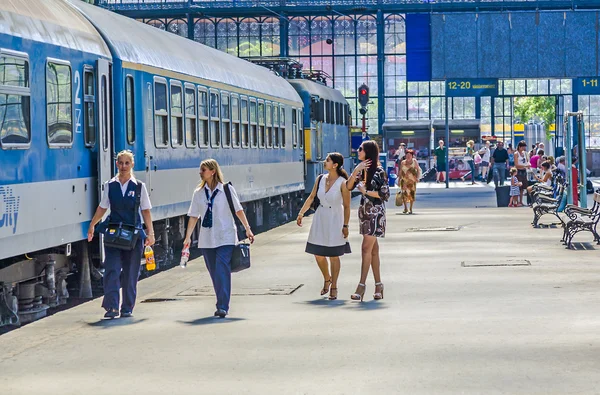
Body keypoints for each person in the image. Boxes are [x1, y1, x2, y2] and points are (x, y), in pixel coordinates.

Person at [182, 159, 255, 318]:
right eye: (200, 170)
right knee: (214, 272)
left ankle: (222, 306)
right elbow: (194, 216)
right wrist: (188, 237)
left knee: (222, 268)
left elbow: (238, 210)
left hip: (225, 236)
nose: (200, 173)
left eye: (203, 170)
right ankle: (221, 300)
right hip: (207, 239)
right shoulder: (198, 193)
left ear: (212, 171)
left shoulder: (226, 190)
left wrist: (248, 229)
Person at [87, 150, 155, 319]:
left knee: (131, 272)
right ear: (116, 164)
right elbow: (103, 207)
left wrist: (150, 233)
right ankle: (111, 307)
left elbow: (146, 211)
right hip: (114, 235)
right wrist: (92, 225)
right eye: (120, 163)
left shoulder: (139, 186)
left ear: (132, 165)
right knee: (112, 270)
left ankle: (127, 307)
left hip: (133, 236)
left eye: (127, 163)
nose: (123, 166)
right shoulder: (110, 185)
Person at [297, 153, 351, 301]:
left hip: (335, 218)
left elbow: (346, 206)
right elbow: (312, 197)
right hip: (320, 217)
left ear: (335, 165)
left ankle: (334, 286)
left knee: (334, 255)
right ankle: (327, 278)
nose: (324, 162)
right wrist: (301, 213)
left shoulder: (343, 182)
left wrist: (346, 225)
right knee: (318, 253)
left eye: (327, 160)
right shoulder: (320, 178)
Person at [346, 141, 390, 302]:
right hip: (364, 214)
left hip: (376, 214)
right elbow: (348, 186)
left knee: (366, 248)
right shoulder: (362, 171)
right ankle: (379, 285)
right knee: (373, 251)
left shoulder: (379, 172)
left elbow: (385, 194)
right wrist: (356, 170)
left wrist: (366, 191)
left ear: (368, 152)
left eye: (360, 149)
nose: (357, 151)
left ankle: (361, 286)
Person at [398, 149, 422, 214]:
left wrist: (417, 178)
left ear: (412, 156)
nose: (408, 156)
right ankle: (405, 208)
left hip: (412, 181)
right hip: (404, 181)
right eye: (407, 155)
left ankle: (411, 208)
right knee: (404, 194)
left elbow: (418, 170)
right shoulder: (403, 162)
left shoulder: (415, 162)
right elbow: (400, 171)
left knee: (412, 194)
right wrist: (399, 179)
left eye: (410, 155)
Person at [514, 141, 531, 206]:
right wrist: (524, 166)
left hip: (524, 171)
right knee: (518, 187)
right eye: (523, 147)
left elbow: (527, 161)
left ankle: (521, 201)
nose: (524, 148)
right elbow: (516, 164)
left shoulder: (525, 153)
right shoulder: (516, 153)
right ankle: (517, 201)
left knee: (523, 187)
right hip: (519, 171)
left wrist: (528, 165)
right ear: (519, 147)